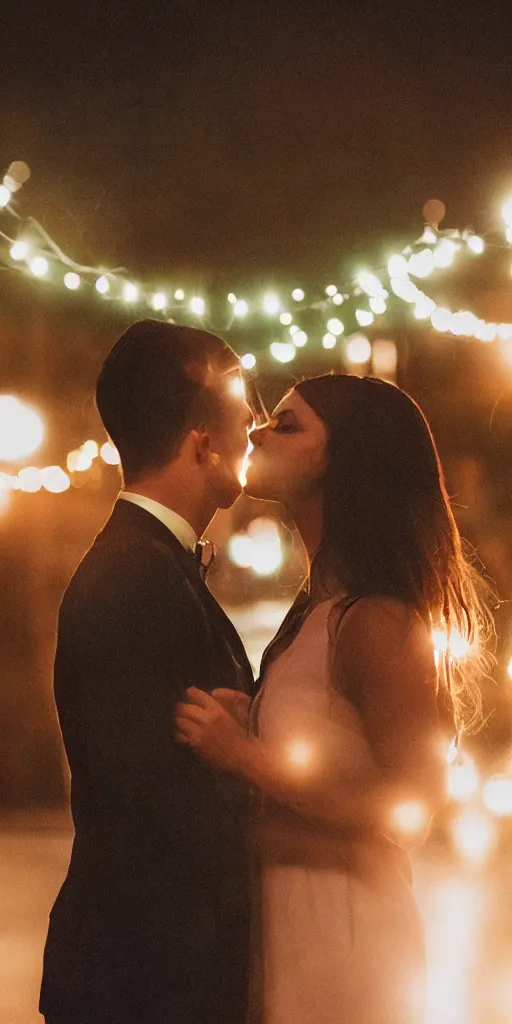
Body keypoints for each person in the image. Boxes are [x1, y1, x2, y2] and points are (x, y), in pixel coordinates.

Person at [176, 372, 494, 1024]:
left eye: (287, 424)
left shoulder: (376, 619)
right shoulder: (317, 610)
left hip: (345, 934)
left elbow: (412, 807)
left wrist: (245, 757)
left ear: (347, 459)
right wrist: (256, 718)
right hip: (288, 924)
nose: (258, 429)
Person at [40, 319, 255, 1024]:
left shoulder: (153, 566)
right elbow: (146, 797)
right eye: (246, 423)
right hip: (147, 981)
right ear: (203, 441)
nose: (251, 439)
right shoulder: (132, 578)